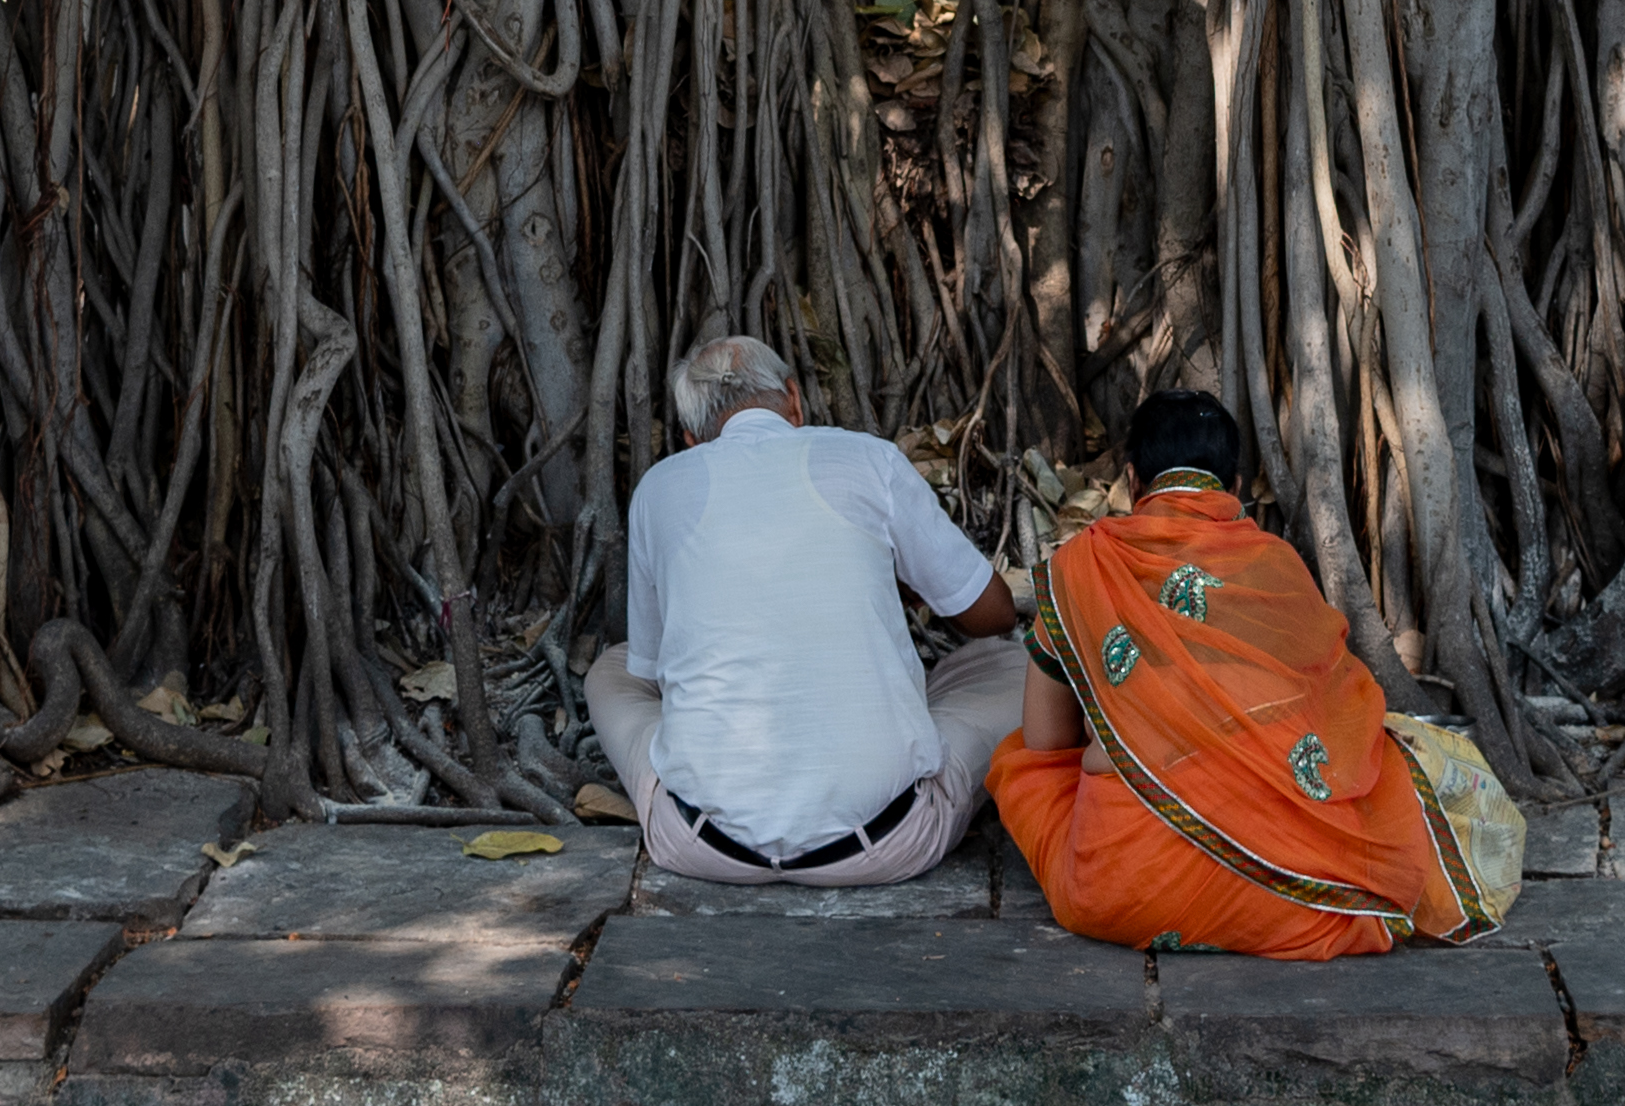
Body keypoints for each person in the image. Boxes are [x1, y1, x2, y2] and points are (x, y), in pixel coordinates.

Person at [990, 391, 1499, 960]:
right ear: (1234, 488)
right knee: (1380, 760)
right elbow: (1336, 717)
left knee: (1022, 764)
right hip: (1290, 891)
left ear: (1133, 481)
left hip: (1116, 887)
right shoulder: (1276, 567)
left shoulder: (1078, 567)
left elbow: (1045, 742)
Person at [594, 333, 1029, 886]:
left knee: (613, 671)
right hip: (890, 842)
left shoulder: (659, 489)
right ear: (794, 399)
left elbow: (652, 674)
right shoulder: (869, 460)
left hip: (702, 845)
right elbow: (993, 618)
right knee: (1018, 666)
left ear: (689, 440)